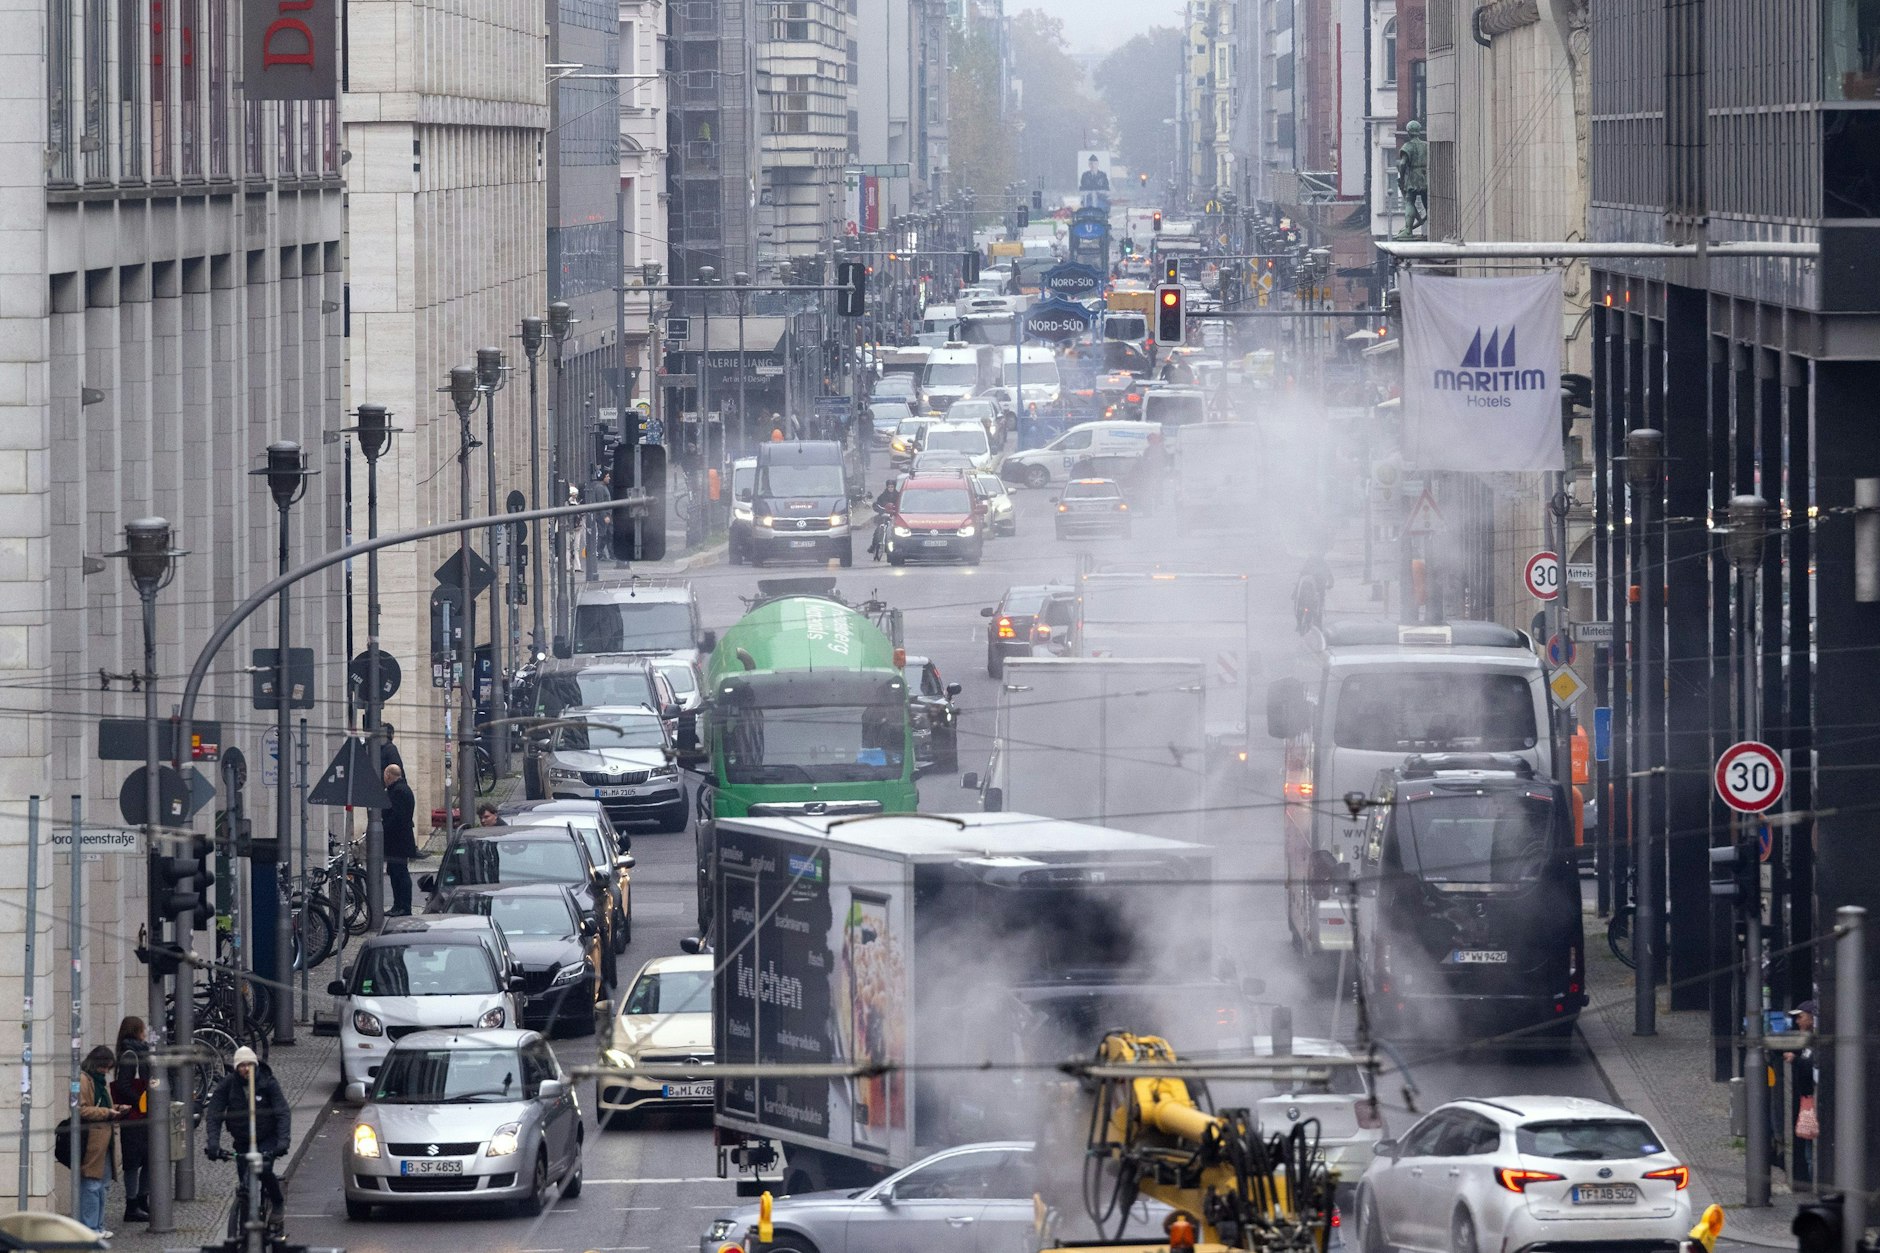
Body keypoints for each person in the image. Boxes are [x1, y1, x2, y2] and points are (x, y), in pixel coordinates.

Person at [204, 1047, 290, 1236]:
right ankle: (243, 1230)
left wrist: (283, 1142)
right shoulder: (228, 1085)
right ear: (236, 1068)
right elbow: (214, 1114)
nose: (245, 1069)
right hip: (242, 1140)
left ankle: (277, 1202)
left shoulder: (268, 1083)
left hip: (267, 1138)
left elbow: (282, 1112)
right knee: (245, 1185)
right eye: (241, 1065)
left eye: (249, 1064)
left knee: (264, 1168)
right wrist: (213, 1144)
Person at [73, 1045, 129, 1237]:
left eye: (108, 1068)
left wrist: (117, 1108)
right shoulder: (83, 1080)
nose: (105, 1071)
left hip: (105, 1140)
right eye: (103, 1067)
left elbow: (101, 1105)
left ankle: (98, 1226)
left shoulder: (99, 1081)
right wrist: (107, 1112)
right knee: (91, 1184)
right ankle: (89, 1228)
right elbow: (80, 1109)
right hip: (93, 1140)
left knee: (103, 1185)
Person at [112, 1016, 153, 1224]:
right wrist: (141, 1101)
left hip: (144, 1115)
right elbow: (123, 1085)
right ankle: (132, 1204)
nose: (145, 1032)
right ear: (136, 1031)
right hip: (135, 1116)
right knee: (133, 1161)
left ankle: (142, 1199)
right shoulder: (130, 1054)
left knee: (149, 1158)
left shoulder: (140, 1051)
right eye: (142, 1029)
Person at [1788, 999, 1819, 1186]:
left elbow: (1813, 1067)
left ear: (1812, 1019)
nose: (1798, 1022)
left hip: (1813, 1099)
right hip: (1807, 1098)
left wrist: (1795, 1060)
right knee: (1807, 1138)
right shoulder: (1807, 1041)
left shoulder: (1816, 1042)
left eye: (1801, 1017)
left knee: (1810, 1142)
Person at [382, 763, 418, 915]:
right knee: (395, 871)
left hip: (398, 841)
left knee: (400, 873)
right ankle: (398, 905)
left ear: (388, 775)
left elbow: (397, 817)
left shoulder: (398, 791)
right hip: (399, 840)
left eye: (385, 775)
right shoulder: (402, 789)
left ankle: (403, 906)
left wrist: (383, 828)